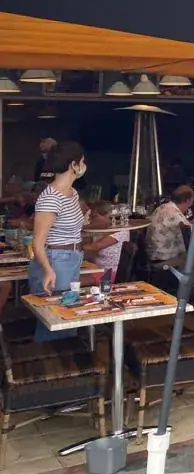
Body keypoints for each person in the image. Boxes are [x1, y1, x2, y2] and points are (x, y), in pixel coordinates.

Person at [30, 141, 88, 340]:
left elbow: (67, 224)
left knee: (68, 313)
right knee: (55, 317)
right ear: (74, 165)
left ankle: (66, 353)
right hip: (55, 259)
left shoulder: (73, 194)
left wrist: (83, 221)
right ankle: (48, 356)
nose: (84, 165)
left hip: (72, 257)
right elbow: (37, 242)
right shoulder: (50, 198)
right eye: (82, 161)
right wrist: (48, 270)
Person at [147, 185, 194, 270]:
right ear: (188, 200)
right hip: (163, 259)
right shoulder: (176, 215)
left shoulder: (162, 207)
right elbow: (192, 235)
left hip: (151, 255)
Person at [83, 200, 129, 279]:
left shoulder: (120, 230)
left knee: (73, 279)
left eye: (94, 216)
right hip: (97, 269)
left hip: (109, 272)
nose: (90, 219)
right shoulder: (103, 230)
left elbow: (95, 246)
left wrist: (72, 246)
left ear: (107, 215)